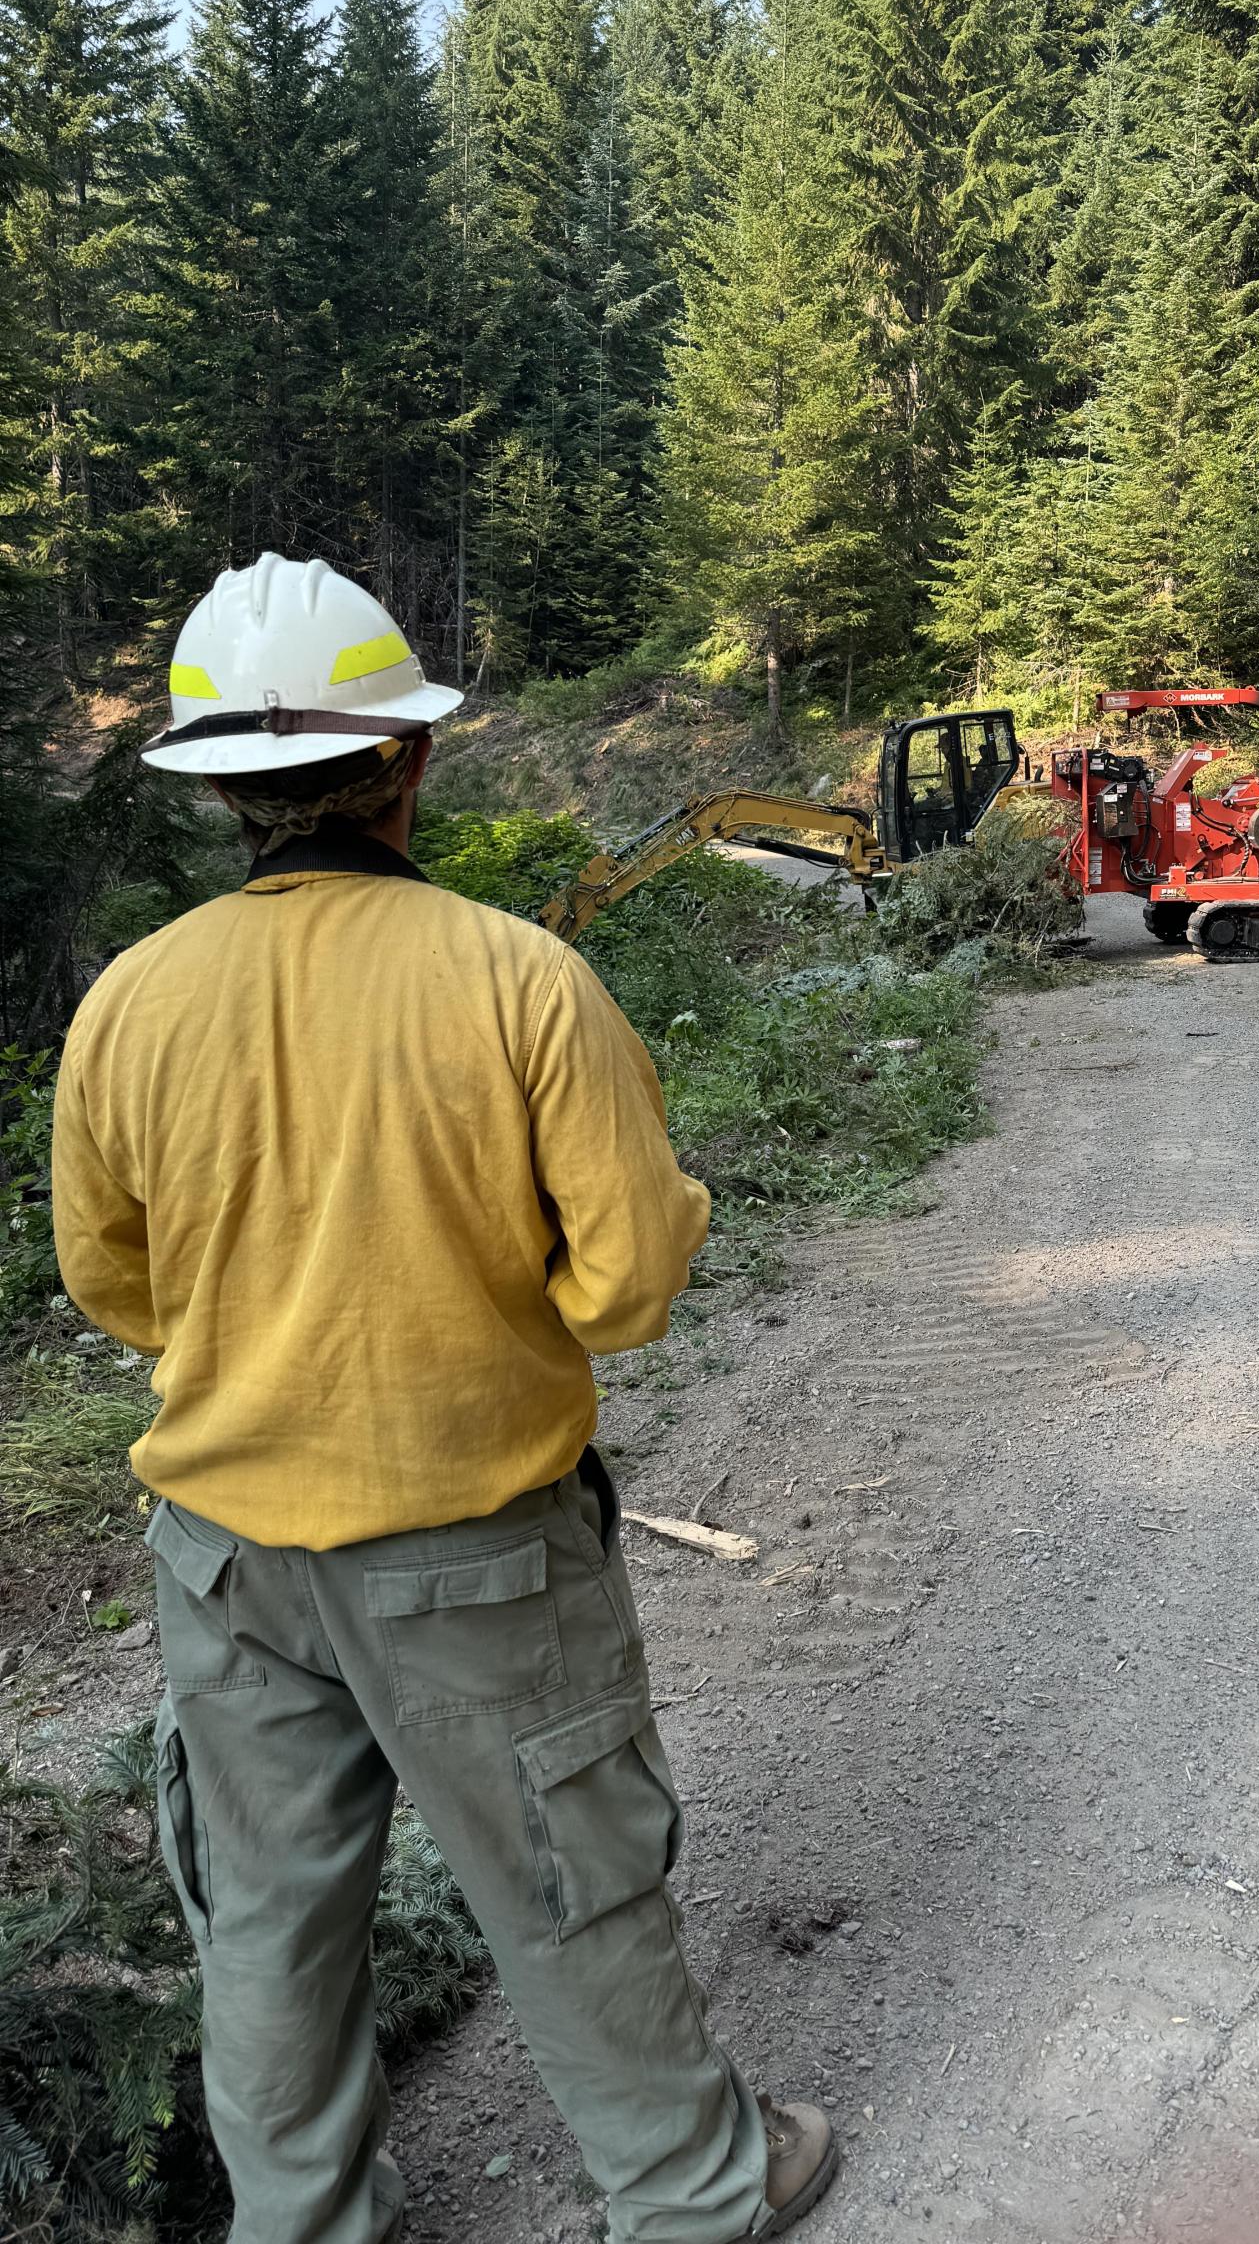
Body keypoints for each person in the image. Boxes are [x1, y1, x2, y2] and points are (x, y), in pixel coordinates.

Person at [51, 552, 838, 2244]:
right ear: (408, 762)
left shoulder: (126, 1005)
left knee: (262, 1920)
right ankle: (691, 2191)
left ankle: (307, 2222)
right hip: (477, 1555)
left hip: (223, 1560)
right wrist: (501, 1303)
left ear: (215, 794)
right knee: (569, 1882)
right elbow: (626, 1286)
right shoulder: (517, 980)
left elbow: (113, 1285)